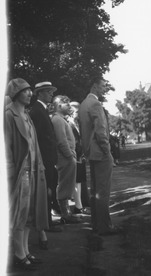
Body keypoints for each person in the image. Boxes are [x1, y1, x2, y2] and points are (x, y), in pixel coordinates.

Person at [4, 78, 49, 271]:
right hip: (20, 172)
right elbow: (5, 147)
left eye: (30, 90)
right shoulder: (8, 115)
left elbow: (34, 144)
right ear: (16, 94)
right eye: (25, 91)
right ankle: (19, 254)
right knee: (19, 215)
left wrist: (41, 167)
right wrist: (9, 173)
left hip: (34, 170)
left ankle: (26, 250)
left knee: (30, 214)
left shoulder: (27, 115)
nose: (30, 93)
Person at [79, 77, 121, 235]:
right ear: (94, 86)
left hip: (91, 152)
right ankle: (105, 227)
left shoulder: (84, 104)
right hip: (101, 153)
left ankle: (96, 225)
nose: (104, 89)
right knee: (103, 191)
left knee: (95, 190)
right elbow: (101, 131)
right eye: (103, 86)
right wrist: (107, 150)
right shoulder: (95, 104)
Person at [30, 81, 62, 245]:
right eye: (49, 92)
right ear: (41, 93)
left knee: (50, 189)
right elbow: (41, 138)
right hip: (44, 158)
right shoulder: (37, 110)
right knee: (47, 191)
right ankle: (46, 223)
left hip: (48, 158)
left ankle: (48, 221)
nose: (51, 94)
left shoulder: (40, 109)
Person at [51, 95, 81, 224]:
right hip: (64, 158)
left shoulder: (60, 119)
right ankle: (65, 214)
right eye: (66, 104)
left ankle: (66, 213)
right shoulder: (57, 120)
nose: (69, 106)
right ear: (58, 106)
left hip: (67, 157)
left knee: (67, 185)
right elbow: (61, 141)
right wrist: (70, 156)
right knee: (64, 185)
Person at [69, 102, 90, 215]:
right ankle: (78, 207)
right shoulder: (70, 124)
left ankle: (80, 205)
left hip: (79, 157)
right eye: (76, 111)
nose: (78, 113)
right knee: (76, 182)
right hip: (75, 157)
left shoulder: (76, 124)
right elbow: (73, 142)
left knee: (79, 182)